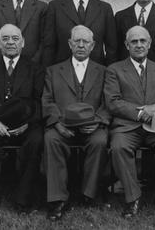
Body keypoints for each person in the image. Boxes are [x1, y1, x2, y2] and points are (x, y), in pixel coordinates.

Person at [104, 25, 155, 219]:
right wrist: (139, 114)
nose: (139, 45)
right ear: (126, 45)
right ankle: (132, 198)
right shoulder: (114, 70)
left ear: (150, 44)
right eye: (134, 41)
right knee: (119, 147)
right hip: (127, 126)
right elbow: (112, 102)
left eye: (142, 41)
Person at [0, 24, 44, 212]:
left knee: (37, 140)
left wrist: (28, 124)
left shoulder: (35, 68)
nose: (10, 42)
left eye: (15, 38)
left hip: (26, 126)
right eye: (5, 39)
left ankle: (24, 198)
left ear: (23, 42)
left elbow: (40, 100)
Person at [43, 25, 110, 221]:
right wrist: (57, 123)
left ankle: (89, 194)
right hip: (62, 124)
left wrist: (97, 121)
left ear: (93, 45)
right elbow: (47, 100)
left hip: (93, 125)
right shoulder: (54, 71)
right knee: (51, 139)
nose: (81, 45)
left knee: (99, 141)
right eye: (77, 41)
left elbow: (108, 102)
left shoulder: (104, 71)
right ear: (70, 44)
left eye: (85, 42)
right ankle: (58, 199)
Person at [42, 0, 117, 67]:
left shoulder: (104, 9)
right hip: (63, 72)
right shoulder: (55, 7)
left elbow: (112, 48)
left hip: (97, 73)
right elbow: (49, 45)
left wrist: (109, 74)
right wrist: (48, 74)